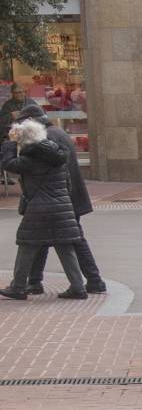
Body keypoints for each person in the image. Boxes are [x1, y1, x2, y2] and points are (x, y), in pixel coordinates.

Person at [17, 104, 105, 295]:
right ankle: (35, 281)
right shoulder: (58, 133)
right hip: (66, 197)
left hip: (59, 198)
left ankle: (93, 280)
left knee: (71, 241)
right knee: (44, 239)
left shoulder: (44, 138)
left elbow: (31, 168)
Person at [0, 119, 87, 300]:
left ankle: (18, 286)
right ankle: (78, 287)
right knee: (65, 246)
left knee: (27, 245)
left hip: (39, 208)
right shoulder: (58, 155)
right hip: (62, 206)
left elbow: (8, 164)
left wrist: (10, 143)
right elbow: (68, 185)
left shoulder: (31, 158)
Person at [1, 84, 38, 185]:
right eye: (16, 93)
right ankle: (7, 174)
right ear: (12, 94)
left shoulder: (31, 103)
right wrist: (10, 116)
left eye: (20, 92)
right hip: (13, 134)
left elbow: (40, 115)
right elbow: (2, 121)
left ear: (24, 92)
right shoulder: (7, 105)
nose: (19, 95)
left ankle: (31, 174)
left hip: (30, 133)